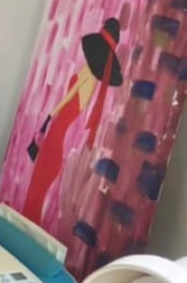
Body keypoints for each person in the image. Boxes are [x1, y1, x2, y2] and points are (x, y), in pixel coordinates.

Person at [21, 17, 123, 225]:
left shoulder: (87, 74)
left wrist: (50, 114)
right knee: (37, 195)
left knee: (35, 192)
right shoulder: (95, 83)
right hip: (54, 144)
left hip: (52, 143)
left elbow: (67, 98)